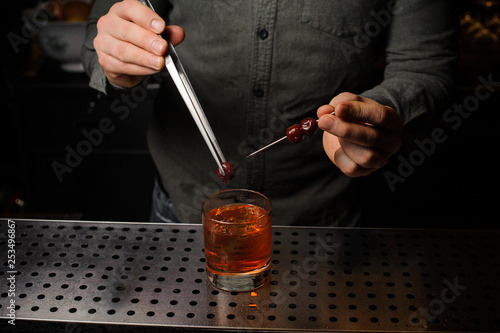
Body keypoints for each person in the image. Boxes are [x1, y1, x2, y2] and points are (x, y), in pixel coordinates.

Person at [82, 0, 456, 226]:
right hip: (182, 208)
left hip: (324, 220)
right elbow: (97, 38)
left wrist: (386, 111)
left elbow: (426, 66)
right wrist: (114, 59)